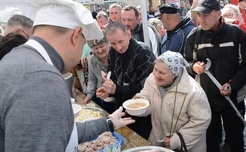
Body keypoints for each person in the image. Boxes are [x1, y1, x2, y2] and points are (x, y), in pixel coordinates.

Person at [0, 0, 135, 151]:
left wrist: (108, 123)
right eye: (83, 44)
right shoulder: (41, 78)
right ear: (76, 35)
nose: (79, 56)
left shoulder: (17, 59)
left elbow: (59, 131)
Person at [184, 0, 246, 151]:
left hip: (233, 98)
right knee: (210, 140)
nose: (202, 19)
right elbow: (186, 61)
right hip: (206, 99)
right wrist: (193, 67)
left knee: (235, 139)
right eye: (199, 14)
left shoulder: (236, 34)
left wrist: (232, 85)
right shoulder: (194, 36)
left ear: (218, 13)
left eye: (206, 14)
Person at [133, 51, 211, 152]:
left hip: (187, 146)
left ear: (175, 74)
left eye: (161, 73)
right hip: (158, 140)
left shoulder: (193, 92)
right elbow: (146, 97)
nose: (156, 75)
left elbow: (201, 120)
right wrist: (140, 103)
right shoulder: (152, 79)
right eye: (155, 69)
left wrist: (177, 140)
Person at [96, 21, 156, 140]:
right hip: (120, 108)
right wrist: (107, 90)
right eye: (113, 43)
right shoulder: (112, 51)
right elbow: (112, 76)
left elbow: (147, 88)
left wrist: (116, 89)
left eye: (120, 41)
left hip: (141, 112)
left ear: (128, 34)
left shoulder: (143, 52)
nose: (118, 47)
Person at [82, 34, 115, 114]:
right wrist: (89, 96)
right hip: (103, 98)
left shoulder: (116, 56)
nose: (100, 50)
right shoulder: (92, 60)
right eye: (96, 48)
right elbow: (92, 80)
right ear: (92, 49)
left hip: (118, 98)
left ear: (108, 44)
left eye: (101, 46)